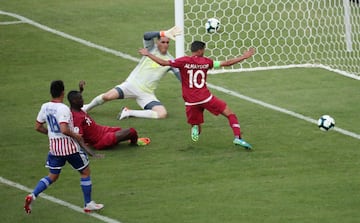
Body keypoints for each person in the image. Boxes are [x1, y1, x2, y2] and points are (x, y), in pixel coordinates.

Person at [139, 41, 255, 149]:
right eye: (203, 50)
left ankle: (195, 126)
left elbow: (163, 63)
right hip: (206, 98)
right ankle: (238, 138)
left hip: (191, 101)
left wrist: (148, 54)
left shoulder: (182, 61)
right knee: (230, 114)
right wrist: (244, 56)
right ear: (200, 51)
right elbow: (227, 63)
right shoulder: (206, 62)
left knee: (197, 128)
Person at [24, 80, 104, 214]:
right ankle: (88, 203)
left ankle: (33, 195)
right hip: (70, 148)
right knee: (85, 172)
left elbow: (38, 126)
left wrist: (50, 134)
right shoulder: (63, 108)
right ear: (62, 92)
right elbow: (64, 129)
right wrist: (76, 136)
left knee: (52, 176)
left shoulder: (45, 106)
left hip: (54, 149)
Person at [82, 26, 182, 120]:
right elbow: (146, 35)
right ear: (157, 42)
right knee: (107, 96)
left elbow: (181, 78)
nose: (165, 45)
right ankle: (87, 108)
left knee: (162, 114)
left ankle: (128, 112)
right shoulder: (151, 48)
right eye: (163, 42)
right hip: (131, 85)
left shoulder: (171, 60)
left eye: (167, 42)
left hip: (146, 94)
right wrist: (163, 32)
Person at [69, 81, 151, 149]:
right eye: (80, 99)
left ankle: (122, 139)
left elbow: (74, 99)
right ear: (74, 101)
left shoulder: (78, 108)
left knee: (119, 130)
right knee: (131, 131)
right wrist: (92, 153)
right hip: (100, 140)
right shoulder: (76, 117)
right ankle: (134, 143)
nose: (83, 101)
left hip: (101, 130)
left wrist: (80, 90)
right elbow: (78, 136)